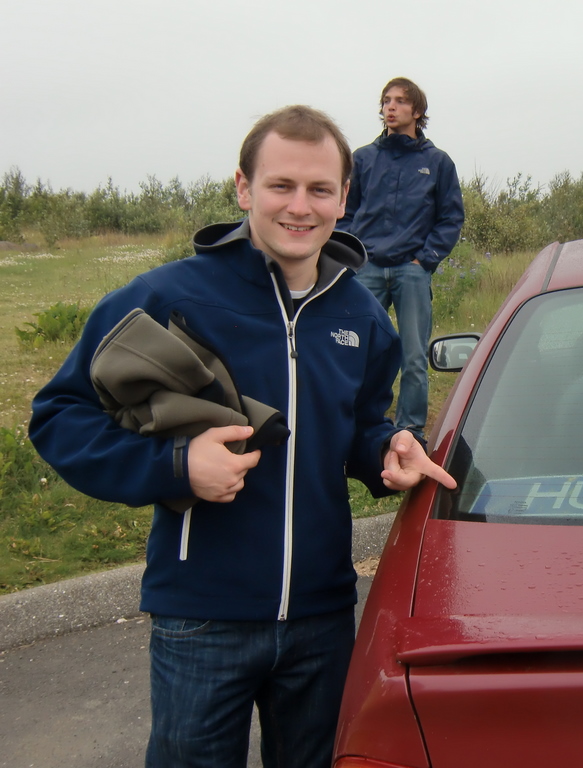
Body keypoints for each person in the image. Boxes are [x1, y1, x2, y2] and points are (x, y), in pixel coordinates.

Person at [29, 105, 456, 768]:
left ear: (345, 197)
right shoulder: (170, 298)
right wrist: (176, 465)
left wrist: (385, 451)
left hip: (320, 618)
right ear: (242, 188)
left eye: (319, 189)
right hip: (201, 616)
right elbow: (59, 414)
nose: (300, 206)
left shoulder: (362, 314)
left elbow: (358, 425)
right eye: (281, 185)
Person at [338, 77, 464, 439]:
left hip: (412, 271)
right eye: (386, 101)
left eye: (400, 101)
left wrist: (425, 260)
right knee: (356, 349)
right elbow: (344, 211)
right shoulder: (362, 159)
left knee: (413, 357)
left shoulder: (437, 162)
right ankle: (353, 424)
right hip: (368, 270)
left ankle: (409, 431)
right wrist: (355, 255)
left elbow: (450, 217)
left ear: (417, 111)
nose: (390, 107)